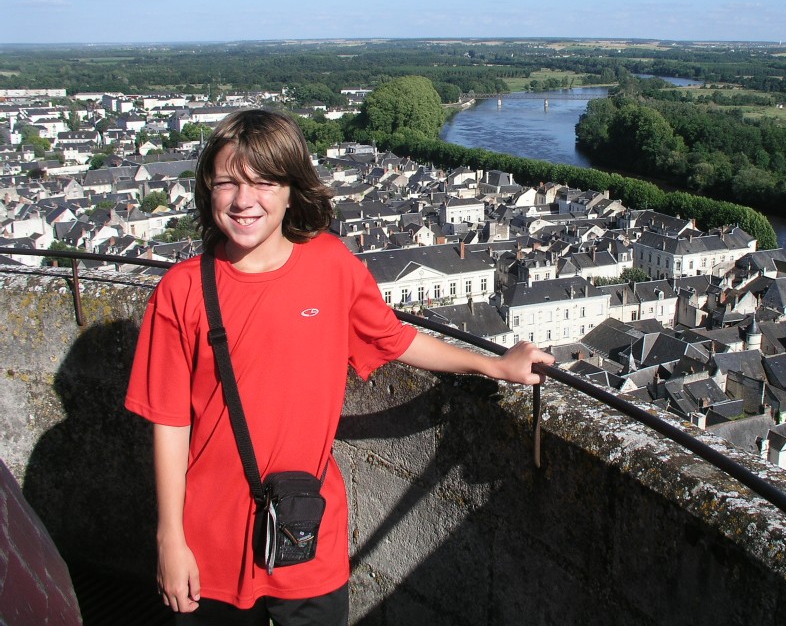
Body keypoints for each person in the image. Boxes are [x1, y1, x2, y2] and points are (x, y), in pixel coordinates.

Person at [125, 109, 552, 625]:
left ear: (290, 190)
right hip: (209, 539)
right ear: (207, 191)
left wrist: (494, 367)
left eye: (263, 182)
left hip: (306, 530)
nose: (243, 200)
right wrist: (170, 537)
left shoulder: (332, 267)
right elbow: (170, 420)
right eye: (227, 183)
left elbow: (394, 339)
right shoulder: (182, 290)